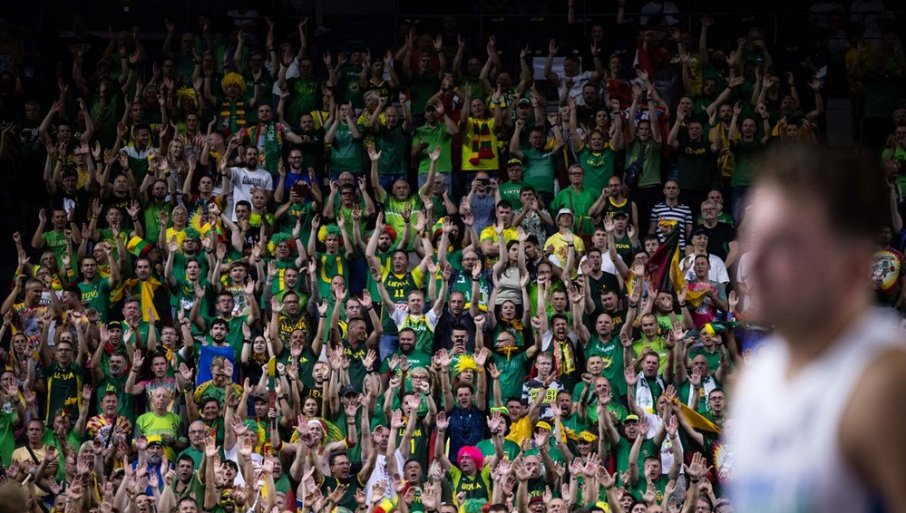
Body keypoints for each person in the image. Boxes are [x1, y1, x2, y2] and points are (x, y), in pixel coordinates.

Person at [731, 146, 906, 512]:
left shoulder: (884, 380)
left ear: (852, 263)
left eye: (782, 244)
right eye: (754, 239)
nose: (755, 262)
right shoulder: (756, 377)